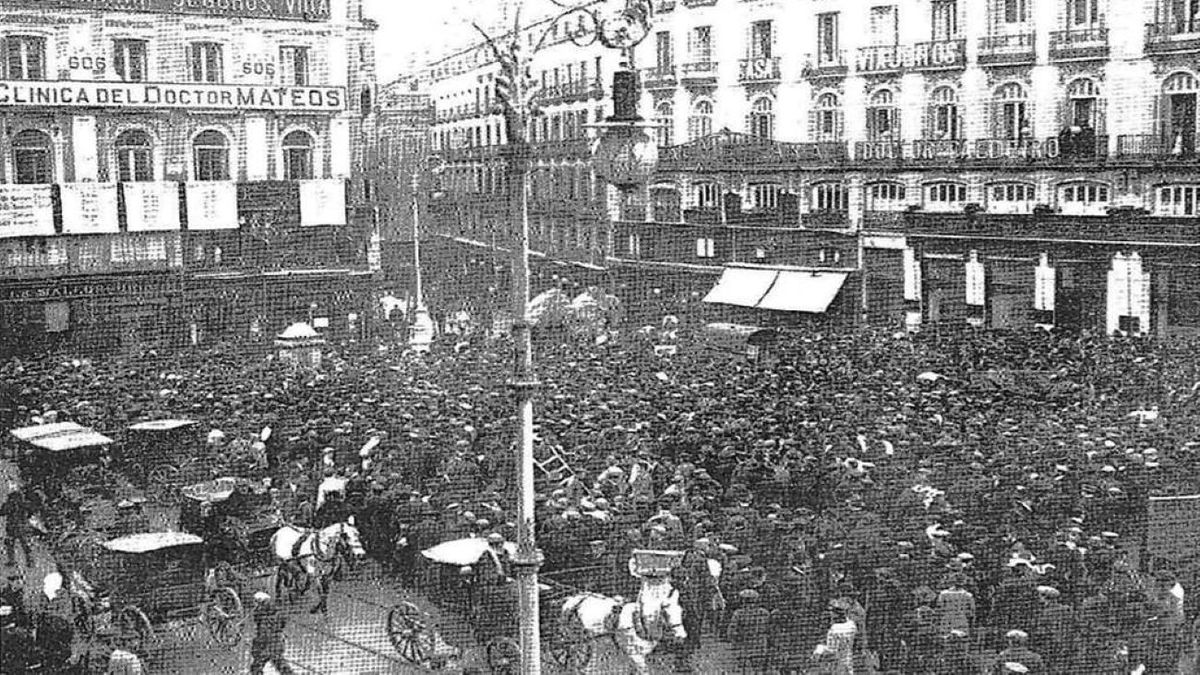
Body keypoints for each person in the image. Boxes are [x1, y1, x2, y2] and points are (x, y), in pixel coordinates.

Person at [726, 588, 770, 674]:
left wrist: (734, 641)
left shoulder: (738, 614)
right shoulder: (764, 613)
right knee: (758, 670)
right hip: (760, 645)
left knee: (743, 670)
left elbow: (731, 631)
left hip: (743, 646)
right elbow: (769, 630)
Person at [249, 592, 293, 675]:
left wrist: (256, 648)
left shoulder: (261, 615)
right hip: (277, 643)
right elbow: (283, 623)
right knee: (282, 666)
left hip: (265, 646)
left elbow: (261, 631)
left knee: (256, 668)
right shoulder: (278, 612)